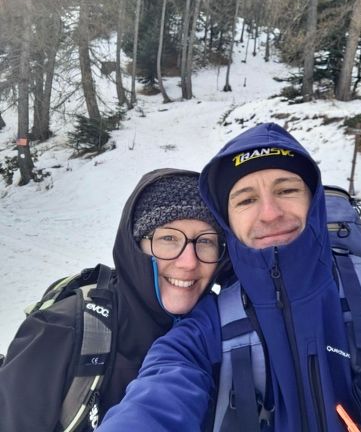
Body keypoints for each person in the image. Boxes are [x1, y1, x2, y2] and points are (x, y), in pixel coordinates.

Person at [96, 123, 361, 431]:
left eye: (287, 190)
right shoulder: (204, 331)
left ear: (314, 202)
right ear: (228, 221)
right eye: (246, 199)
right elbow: (156, 401)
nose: (270, 214)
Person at [0, 168, 227, 432]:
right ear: (135, 246)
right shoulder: (62, 330)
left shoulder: (230, 333)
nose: (189, 262)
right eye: (168, 238)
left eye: (206, 241)